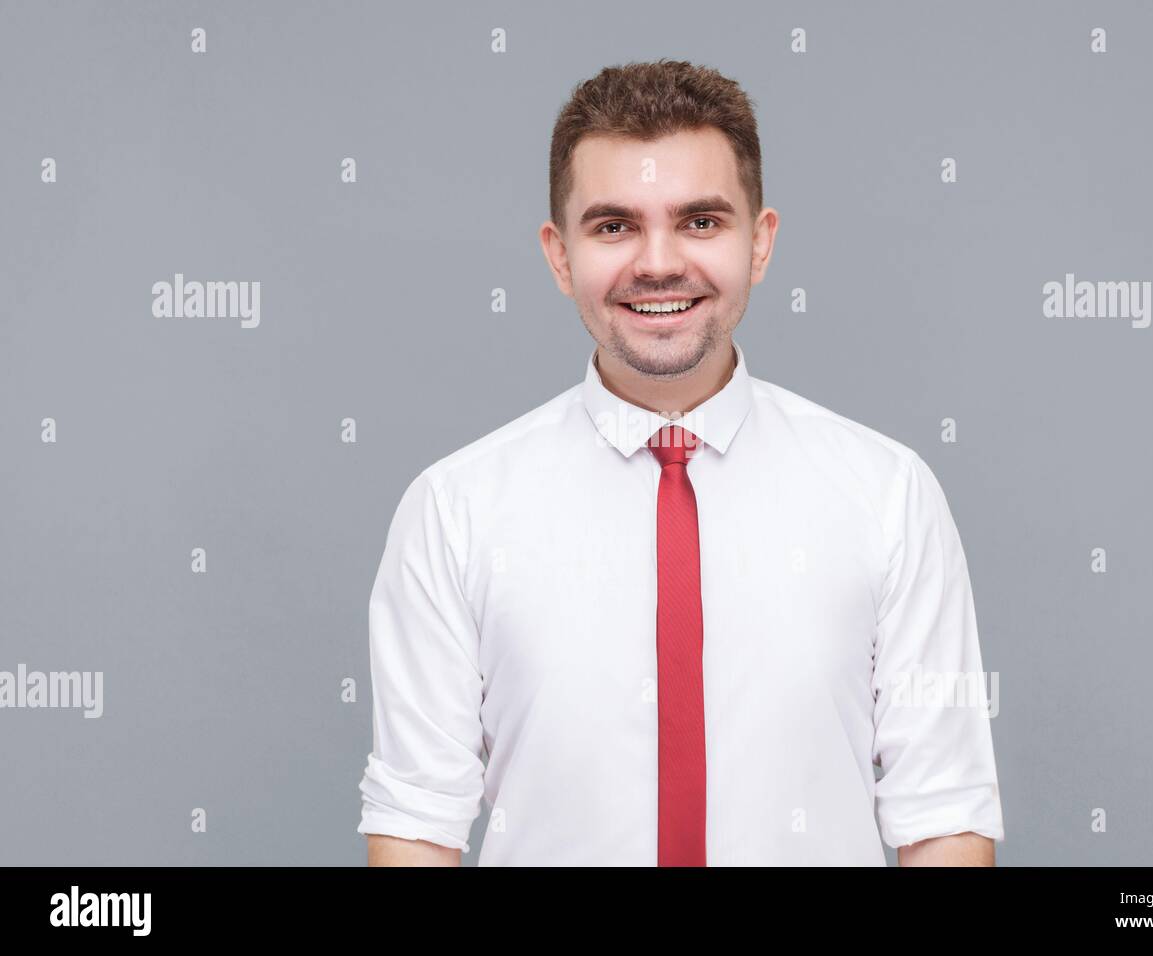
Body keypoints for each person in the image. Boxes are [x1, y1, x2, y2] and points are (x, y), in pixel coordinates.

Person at [358, 59, 1004, 866]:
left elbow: (943, 814)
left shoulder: (889, 495)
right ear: (559, 256)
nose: (658, 263)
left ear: (759, 242)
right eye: (614, 226)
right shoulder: (453, 511)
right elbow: (416, 824)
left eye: (700, 221)